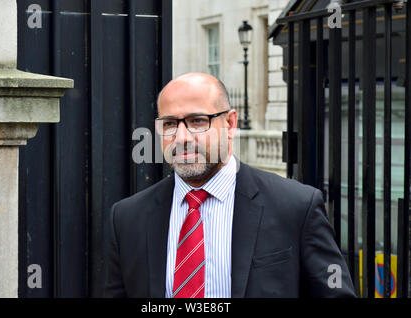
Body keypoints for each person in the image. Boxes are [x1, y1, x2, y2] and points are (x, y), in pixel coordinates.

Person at [104, 72, 356, 298]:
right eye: (169, 124)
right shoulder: (127, 218)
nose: (181, 137)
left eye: (197, 121)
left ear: (230, 124)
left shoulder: (296, 207)